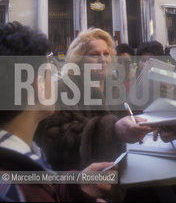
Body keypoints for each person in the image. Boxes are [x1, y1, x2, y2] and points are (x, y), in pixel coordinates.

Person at [0, 22, 116, 202]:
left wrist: (76, 189)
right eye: (50, 71)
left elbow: (47, 184)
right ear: (37, 85)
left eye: (106, 53)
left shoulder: (30, 154)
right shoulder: (14, 192)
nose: (102, 59)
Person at [35, 28, 152, 173]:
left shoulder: (114, 87)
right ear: (79, 59)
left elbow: (126, 117)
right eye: (94, 55)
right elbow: (55, 141)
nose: (103, 59)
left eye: (106, 53)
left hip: (121, 170)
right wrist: (112, 130)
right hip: (78, 184)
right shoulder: (62, 89)